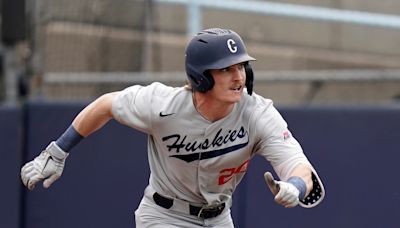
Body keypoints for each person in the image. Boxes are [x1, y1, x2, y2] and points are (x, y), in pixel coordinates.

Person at [20, 28, 325, 227]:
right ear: (202, 76)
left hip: (219, 219)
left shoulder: (257, 113)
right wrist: (58, 150)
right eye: (226, 69)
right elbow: (107, 105)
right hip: (164, 215)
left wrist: (295, 187)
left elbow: (298, 166)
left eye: (241, 66)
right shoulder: (161, 104)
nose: (239, 76)